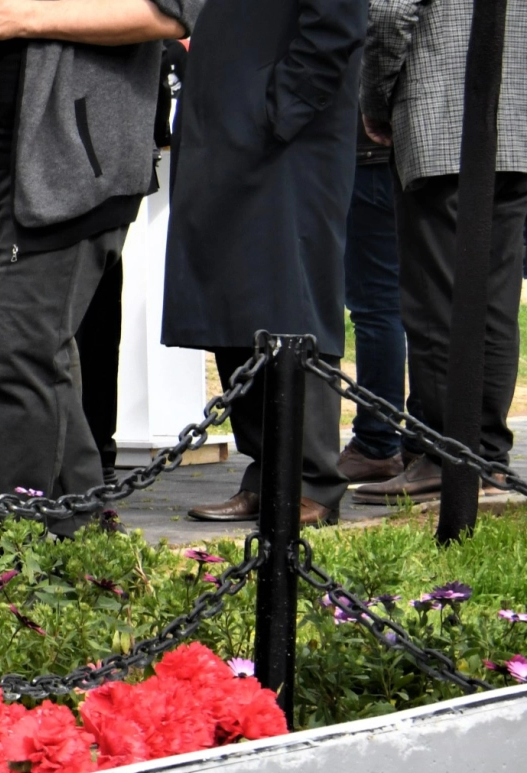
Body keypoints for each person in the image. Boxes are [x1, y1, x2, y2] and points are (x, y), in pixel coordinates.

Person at [0, 0, 195, 529]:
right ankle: (80, 537)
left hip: (75, 164)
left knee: (20, 353)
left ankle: (20, 550)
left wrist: (26, 17)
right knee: (13, 356)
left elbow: (169, 14)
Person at [165, 0, 363, 527]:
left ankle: (312, 481)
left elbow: (337, 22)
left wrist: (278, 107)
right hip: (228, 128)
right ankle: (268, 477)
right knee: (234, 304)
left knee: (290, 300)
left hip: (287, 141)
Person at [353, 0, 527, 505]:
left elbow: (388, 15)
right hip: (512, 124)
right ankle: (487, 456)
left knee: (434, 300)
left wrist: (375, 102)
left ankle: (447, 455)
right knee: (495, 298)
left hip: (442, 121)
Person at [336, 116, 409, 485]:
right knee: (417, 305)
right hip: (419, 156)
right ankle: (421, 441)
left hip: (373, 155)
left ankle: (377, 443)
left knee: (376, 304)